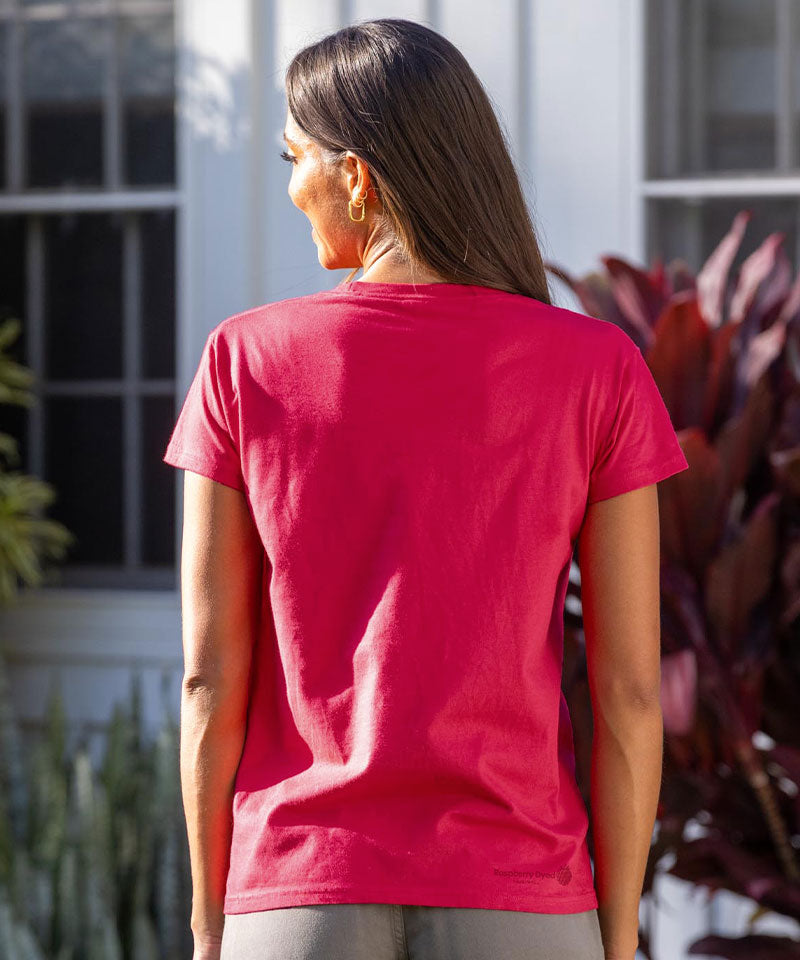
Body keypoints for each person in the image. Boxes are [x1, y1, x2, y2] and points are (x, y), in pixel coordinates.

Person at [162, 17, 688, 960]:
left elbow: (209, 675)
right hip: (523, 896)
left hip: (299, 891)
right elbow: (630, 692)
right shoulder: (597, 369)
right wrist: (614, 938)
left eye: (295, 158)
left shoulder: (244, 360)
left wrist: (210, 925)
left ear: (357, 176)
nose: (290, 188)